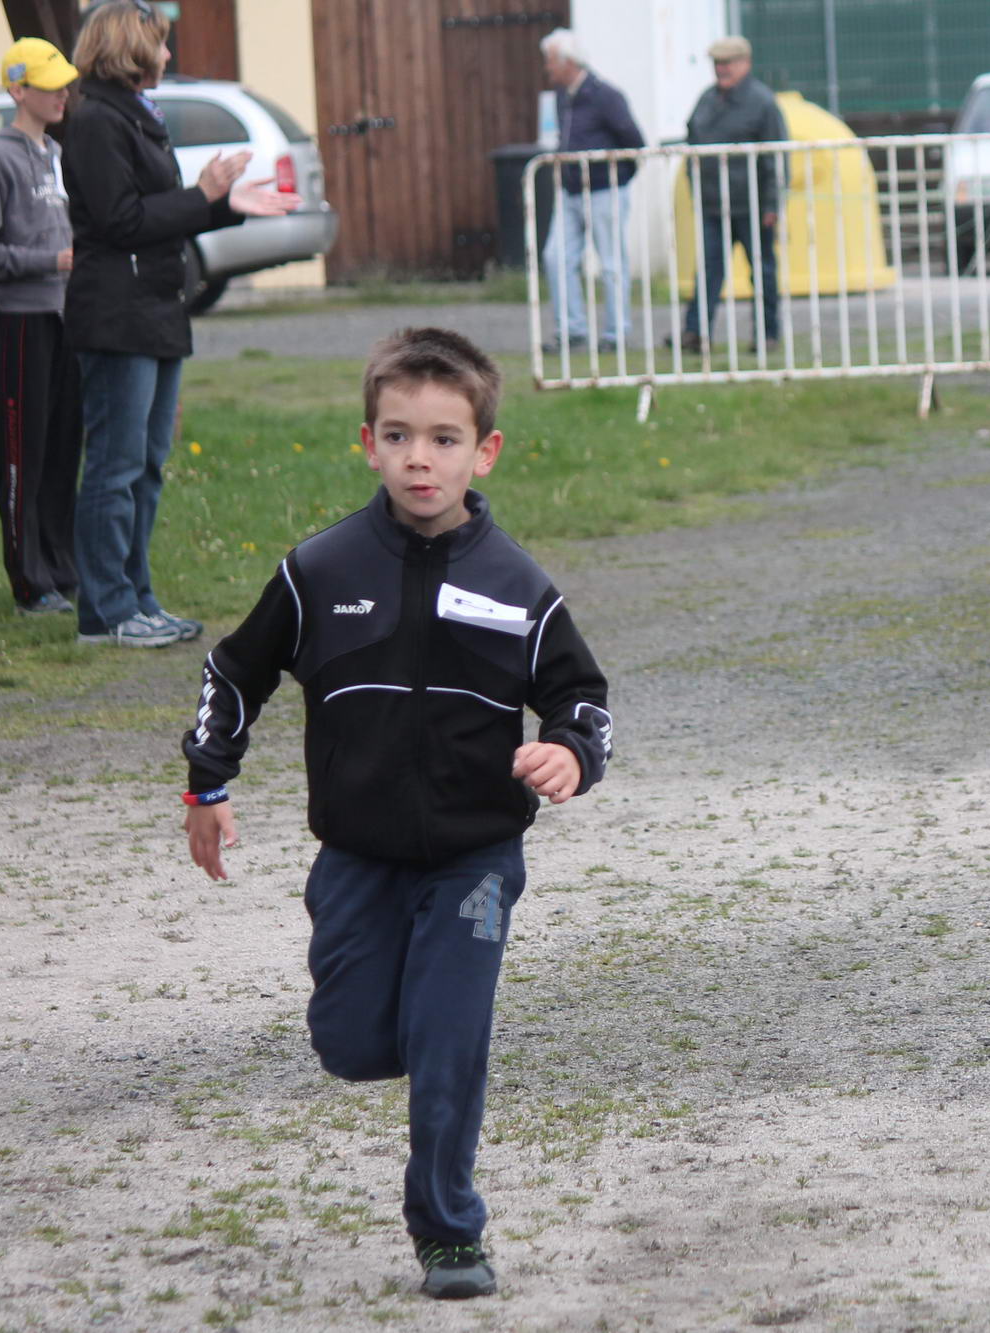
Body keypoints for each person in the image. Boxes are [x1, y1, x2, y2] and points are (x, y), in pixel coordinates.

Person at [180, 326, 614, 1302]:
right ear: (368, 443)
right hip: (358, 858)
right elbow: (234, 672)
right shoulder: (320, 570)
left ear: (483, 451)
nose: (421, 458)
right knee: (353, 1041)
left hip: (475, 856)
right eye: (399, 436)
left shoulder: (518, 586)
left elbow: (583, 699)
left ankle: (449, 1230)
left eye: (444, 439)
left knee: (448, 1036)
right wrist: (208, 783)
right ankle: (401, 1031)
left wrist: (569, 753)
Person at [63, 0, 297, 648]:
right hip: (117, 315)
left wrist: (222, 205)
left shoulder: (137, 114)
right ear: (130, 49)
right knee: (114, 467)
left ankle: (138, 597)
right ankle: (105, 612)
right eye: (160, 43)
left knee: (147, 465)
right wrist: (204, 195)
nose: (168, 54)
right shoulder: (95, 120)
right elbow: (121, 221)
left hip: (156, 310)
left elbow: (158, 209)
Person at [0, 39, 79, 616]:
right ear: (17, 90)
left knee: (62, 449)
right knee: (21, 453)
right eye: (49, 85)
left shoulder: (55, 150)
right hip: (22, 321)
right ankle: (28, 580)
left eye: (64, 84)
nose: (62, 95)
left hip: (66, 318)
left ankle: (62, 567)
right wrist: (50, 262)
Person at [539, 28, 644, 353]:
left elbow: (634, 142)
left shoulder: (606, 96)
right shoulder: (561, 96)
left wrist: (618, 177)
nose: (547, 67)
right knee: (556, 257)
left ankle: (617, 333)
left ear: (568, 62)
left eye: (550, 61)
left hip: (603, 191)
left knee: (610, 263)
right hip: (570, 191)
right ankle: (572, 330)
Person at [680, 35, 787, 352]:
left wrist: (772, 203)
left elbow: (776, 158)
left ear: (745, 63)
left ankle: (767, 334)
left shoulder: (763, 102)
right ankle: (695, 332)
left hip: (753, 205)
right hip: (714, 204)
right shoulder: (706, 100)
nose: (721, 69)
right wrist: (696, 188)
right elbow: (693, 146)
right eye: (717, 63)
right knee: (708, 271)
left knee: (763, 271)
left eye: (727, 63)